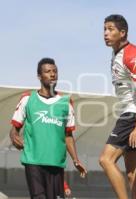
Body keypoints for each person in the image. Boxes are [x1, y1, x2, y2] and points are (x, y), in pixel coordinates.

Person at [10, 58, 87, 199]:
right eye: (48, 71)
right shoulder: (27, 99)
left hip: (56, 163)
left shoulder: (66, 103)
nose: (52, 74)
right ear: (39, 76)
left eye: (55, 71)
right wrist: (14, 137)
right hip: (33, 161)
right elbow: (15, 128)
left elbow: (68, 136)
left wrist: (76, 160)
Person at [99, 14, 136, 199]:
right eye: (104, 29)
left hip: (135, 113)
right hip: (133, 113)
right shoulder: (116, 53)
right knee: (133, 175)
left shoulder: (133, 54)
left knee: (106, 159)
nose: (106, 33)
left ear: (123, 33)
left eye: (110, 29)